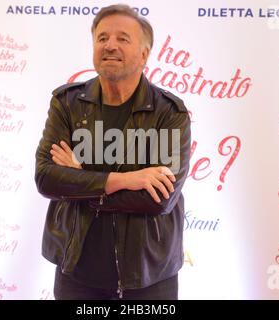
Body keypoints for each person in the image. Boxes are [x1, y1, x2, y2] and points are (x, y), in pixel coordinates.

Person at [35, 4, 191, 300]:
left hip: (150, 275)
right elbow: (46, 178)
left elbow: (159, 198)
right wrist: (124, 179)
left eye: (123, 38)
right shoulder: (67, 103)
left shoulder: (169, 112)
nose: (110, 45)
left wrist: (81, 179)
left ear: (144, 54)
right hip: (76, 270)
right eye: (102, 38)